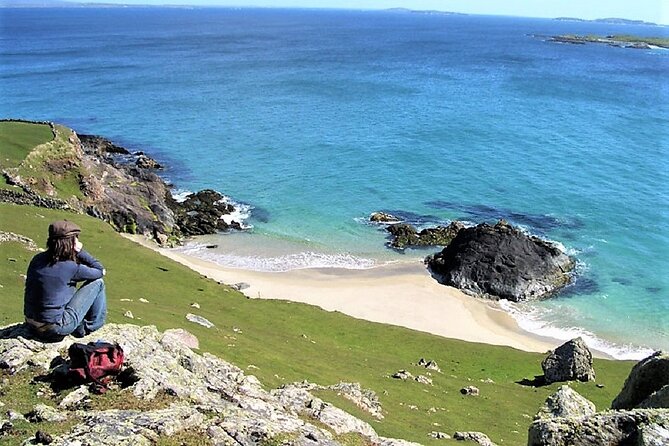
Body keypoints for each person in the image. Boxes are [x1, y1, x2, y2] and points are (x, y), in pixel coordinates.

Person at [24, 220, 107, 341]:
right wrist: (80, 252)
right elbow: (100, 271)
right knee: (98, 283)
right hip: (54, 328)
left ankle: (78, 325)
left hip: (31, 323)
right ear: (70, 243)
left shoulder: (37, 259)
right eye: (76, 239)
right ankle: (90, 327)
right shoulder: (70, 267)